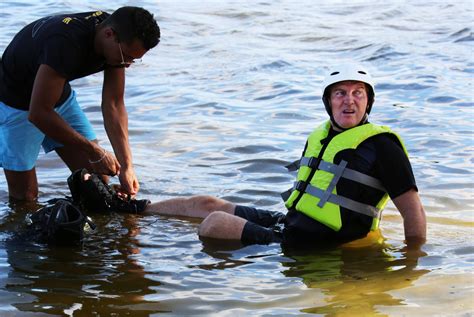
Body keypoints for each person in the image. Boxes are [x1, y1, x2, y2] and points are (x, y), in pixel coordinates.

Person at [71, 63, 427, 249]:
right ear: (328, 100)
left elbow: (413, 211)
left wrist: (413, 261)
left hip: (320, 242)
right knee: (207, 203)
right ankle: (127, 209)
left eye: (357, 93)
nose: (349, 100)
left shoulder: (383, 146)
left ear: (368, 101)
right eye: (340, 93)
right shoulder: (321, 135)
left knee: (214, 226)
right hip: (293, 221)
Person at [0, 6, 161, 201]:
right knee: (25, 197)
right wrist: (94, 150)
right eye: (126, 57)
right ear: (109, 34)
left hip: (57, 94)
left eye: (134, 60)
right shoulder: (65, 42)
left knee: (97, 180)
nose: (126, 64)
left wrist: (127, 166)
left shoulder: (115, 35)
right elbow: (38, 114)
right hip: (15, 102)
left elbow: (114, 104)